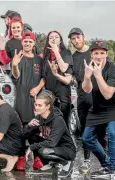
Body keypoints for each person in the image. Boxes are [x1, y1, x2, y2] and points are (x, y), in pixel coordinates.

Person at [68, 28, 106, 173]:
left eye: (78, 37)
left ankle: (105, 163)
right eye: (73, 39)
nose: (76, 40)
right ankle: (86, 160)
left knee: (102, 131)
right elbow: (70, 75)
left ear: (83, 37)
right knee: (85, 132)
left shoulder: (95, 51)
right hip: (83, 98)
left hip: (99, 97)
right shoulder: (73, 57)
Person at [11, 32, 45, 170]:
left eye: (30, 42)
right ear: (22, 43)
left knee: (35, 128)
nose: (27, 44)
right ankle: (21, 157)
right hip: (20, 98)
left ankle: (37, 157)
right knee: (21, 128)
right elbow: (16, 75)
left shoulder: (39, 60)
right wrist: (14, 65)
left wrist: (38, 88)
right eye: (25, 41)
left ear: (34, 43)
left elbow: (44, 78)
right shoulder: (18, 57)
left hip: (34, 99)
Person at [24, 91, 76, 178]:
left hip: (67, 150)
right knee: (32, 137)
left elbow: (51, 142)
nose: (36, 108)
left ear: (48, 106)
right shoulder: (39, 117)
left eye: (40, 105)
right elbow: (24, 134)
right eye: (36, 105)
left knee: (43, 151)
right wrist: (28, 126)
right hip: (54, 148)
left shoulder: (58, 120)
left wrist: (31, 147)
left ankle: (67, 163)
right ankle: (50, 164)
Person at [82, 41, 115, 177]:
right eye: (96, 53)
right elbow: (86, 89)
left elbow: (108, 94)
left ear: (106, 54)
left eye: (102, 53)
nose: (99, 56)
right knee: (87, 138)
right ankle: (106, 164)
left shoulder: (112, 68)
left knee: (113, 134)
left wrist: (98, 75)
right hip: (96, 109)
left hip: (112, 108)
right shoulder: (89, 67)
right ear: (91, 55)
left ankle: (113, 168)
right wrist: (87, 76)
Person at [42, 30, 73, 124]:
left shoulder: (66, 53)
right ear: (48, 41)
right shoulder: (45, 57)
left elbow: (64, 68)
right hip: (49, 95)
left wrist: (56, 50)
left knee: (62, 123)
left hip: (62, 95)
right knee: (50, 123)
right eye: (51, 37)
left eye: (56, 37)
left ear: (60, 40)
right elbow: (44, 76)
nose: (53, 39)